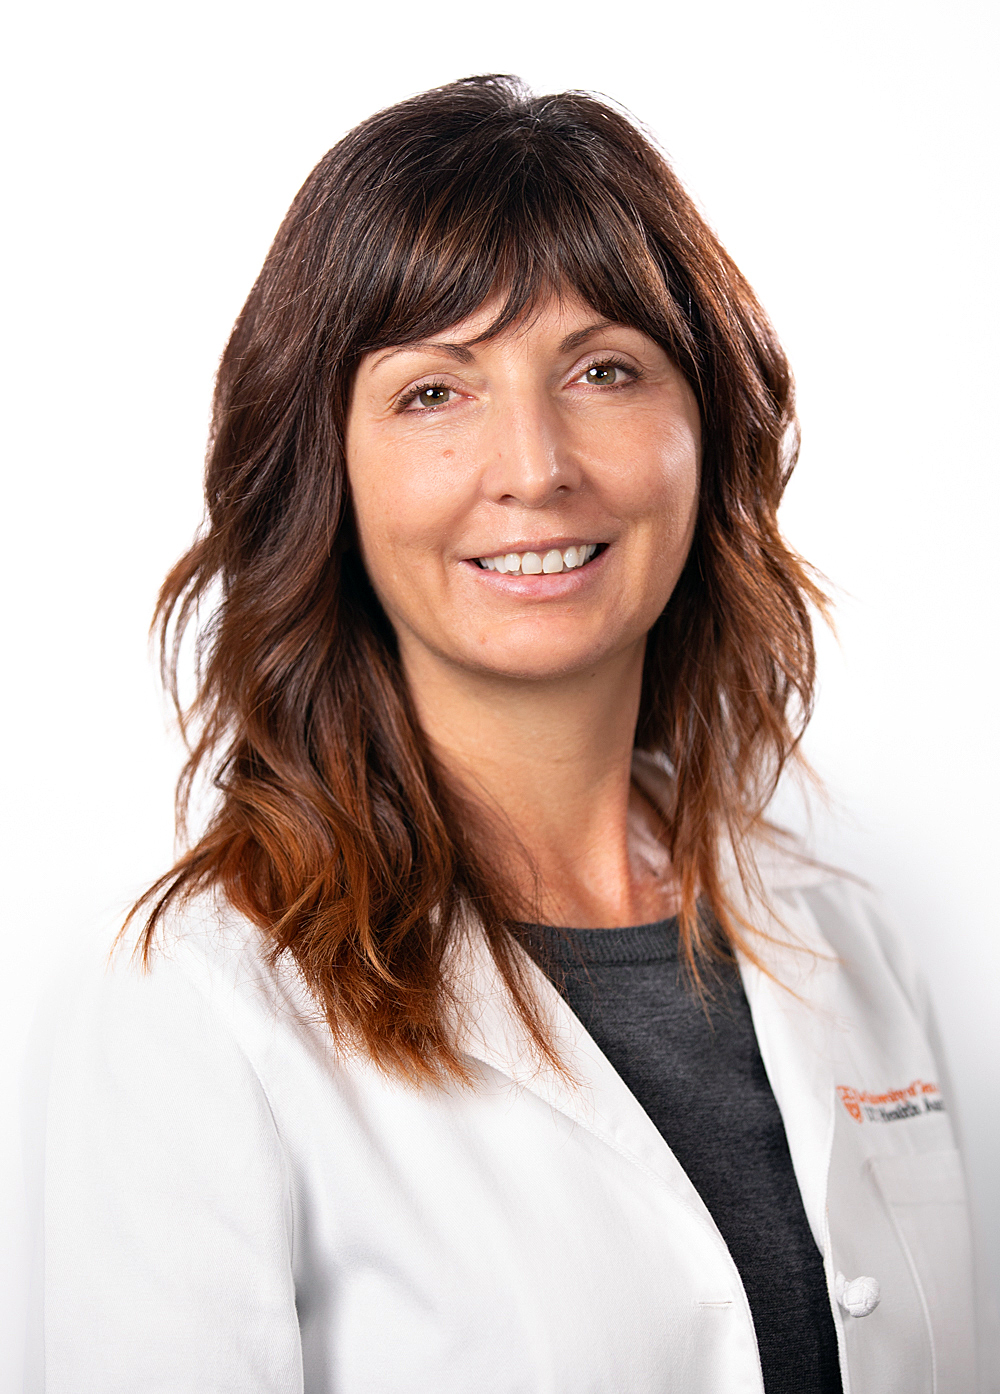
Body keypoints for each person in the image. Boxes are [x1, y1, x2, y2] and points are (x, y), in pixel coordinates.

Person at [37, 75, 975, 1393]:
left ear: (705, 432)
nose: (534, 463)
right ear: (326, 470)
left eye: (603, 369)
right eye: (434, 392)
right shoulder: (196, 1008)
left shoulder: (848, 941)